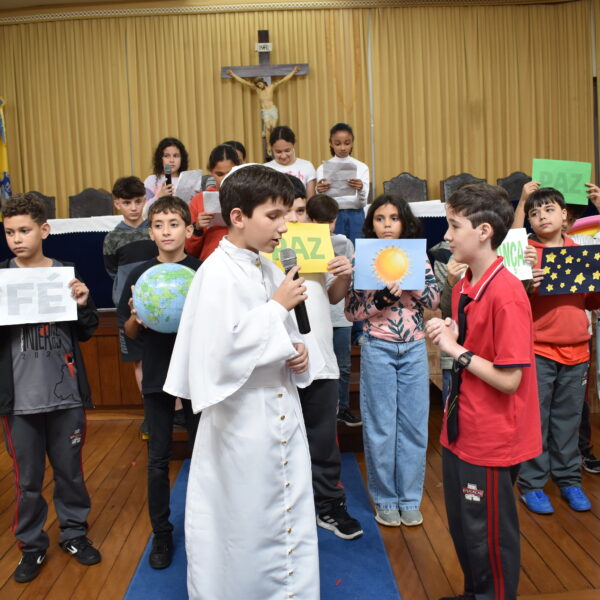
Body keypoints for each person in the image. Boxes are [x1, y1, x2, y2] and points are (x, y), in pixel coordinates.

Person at [164, 165, 321, 600]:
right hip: (240, 418)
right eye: (273, 216)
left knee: (286, 516)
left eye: (286, 214)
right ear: (237, 216)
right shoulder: (215, 273)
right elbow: (217, 355)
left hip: (281, 409)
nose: (284, 227)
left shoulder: (268, 267)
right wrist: (275, 309)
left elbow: (283, 335)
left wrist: (297, 350)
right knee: (244, 523)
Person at [426, 183, 542, 600]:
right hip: (462, 425)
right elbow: (473, 343)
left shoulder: (507, 293)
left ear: (484, 232)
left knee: (489, 536)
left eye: (454, 226)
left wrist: (454, 349)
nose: (446, 235)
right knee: (465, 528)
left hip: (492, 435)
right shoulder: (464, 284)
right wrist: (454, 332)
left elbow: (510, 380)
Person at [0, 193, 101, 583]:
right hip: (18, 402)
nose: (17, 239)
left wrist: (84, 302)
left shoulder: (64, 274)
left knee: (70, 472)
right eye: (10, 232)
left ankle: (74, 534)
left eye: (24, 230)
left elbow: (87, 331)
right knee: (26, 480)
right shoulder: (2, 278)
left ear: (44, 230)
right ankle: (31, 545)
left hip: (65, 396)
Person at [345, 195, 439, 528]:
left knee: (414, 425)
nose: (387, 224)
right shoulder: (362, 257)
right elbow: (351, 312)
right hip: (377, 346)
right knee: (381, 426)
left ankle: (410, 499)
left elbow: (434, 299)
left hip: (413, 347)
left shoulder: (417, 255)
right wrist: (380, 302)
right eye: (380, 218)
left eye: (394, 218)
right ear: (371, 224)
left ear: (404, 223)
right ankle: (386, 499)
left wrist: (411, 287)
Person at [117, 196, 201, 569]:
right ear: (150, 232)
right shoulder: (140, 275)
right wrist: (136, 318)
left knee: (204, 456)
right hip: (157, 376)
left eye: (174, 224)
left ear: (189, 229)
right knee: (158, 459)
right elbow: (130, 331)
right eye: (159, 225)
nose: (166, 231)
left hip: (197, 377)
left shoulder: (202, 271)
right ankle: (162, 534)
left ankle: (203, 528)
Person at [287, 187, 363, 540]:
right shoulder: (262, 250)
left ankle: (329, 504)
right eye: (285, 212)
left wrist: (345, 275)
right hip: (279, 362)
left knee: (323, 439)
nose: (294, 218)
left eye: (300, 210)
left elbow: (332, 296)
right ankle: (285, 508)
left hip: (319, 356)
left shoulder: (317, 245)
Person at [517, 187, 600, 514]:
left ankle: (569, 480)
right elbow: (512, 304)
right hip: (538, 351)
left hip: (578, 351)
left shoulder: (581, 252)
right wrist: (527, 284)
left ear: (565, 215)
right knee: (536, 419)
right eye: (534, 213)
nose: (541, 216)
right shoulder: (525, 252)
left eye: (549, 209)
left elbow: (591, 302)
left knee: (568, 420)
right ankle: (532, 484)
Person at [306, 193, 361, 427]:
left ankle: (343, 408)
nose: (327, 227)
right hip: (316, 315)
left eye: (331, 221)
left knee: (343, 365)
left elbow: (350, 276)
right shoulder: (303, 242)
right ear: (310, 220)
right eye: (321, 221)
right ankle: (324, 411)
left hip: (340, 314)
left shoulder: (344, 243)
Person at [103, 176, 157, 390]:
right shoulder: (112, 238)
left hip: (158, 302)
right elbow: (112, 270)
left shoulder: (154, 230)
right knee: (139, 359)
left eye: (137, 201)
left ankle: (176, 407)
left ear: (145, 200)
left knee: (165, 356)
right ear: (117, 204)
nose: (133, 208)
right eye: (127, 203)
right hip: (129, 306)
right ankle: (148, 405)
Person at [316, 123, 370, 244]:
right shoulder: (322, 168)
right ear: (331, 143)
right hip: (332, 216)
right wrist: (319, 191)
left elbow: (362, 202)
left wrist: (361, 188)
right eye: (337, 143)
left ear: (352, 142)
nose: (343, 148)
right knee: (334, 249)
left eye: (347, 143)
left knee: (357, 249)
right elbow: (322, 202)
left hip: (356, 215)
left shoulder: (362, 167)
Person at [185, 144, 241, 261]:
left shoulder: (248, 196)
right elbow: (189, 250)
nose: (225, 179)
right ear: (211, 172)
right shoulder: (199, 200)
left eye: (229, 173)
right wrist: (197, 228)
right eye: (219, 174)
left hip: (241, 260)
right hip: (209, 262)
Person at [226, 67, 300, 143]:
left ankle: (272, 141)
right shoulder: (257, 90)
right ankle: (268, 144)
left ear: (263, 82)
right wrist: (232, 74)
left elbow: (283, 80)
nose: (259, 86)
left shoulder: (271, 87)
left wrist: (293, 72)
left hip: (272, 109)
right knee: (268, 127)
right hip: (265, 111)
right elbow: (244, 82)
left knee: (274, 127)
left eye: (260, 84)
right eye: (258, 85)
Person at [265, 125, 316, 198]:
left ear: (293, 145)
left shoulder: (307, 166)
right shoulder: (265, 169)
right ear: (271, 147)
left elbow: (310, 200)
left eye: (287, 150)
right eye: (278, 152)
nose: (283, 156)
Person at [144, 137, 189, 212]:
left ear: (182, 159)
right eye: (167, 156)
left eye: (176, 156)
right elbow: (143, 211)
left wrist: (197, 199)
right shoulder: (151, 180)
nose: (171, 160)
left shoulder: (188, 181)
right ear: (160, 159)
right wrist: (158, 196)